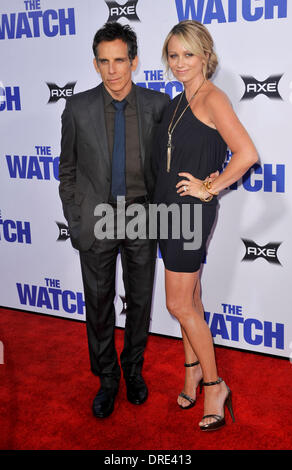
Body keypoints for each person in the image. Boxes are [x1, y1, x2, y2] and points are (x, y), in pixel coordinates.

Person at [58, 22, 170, 418]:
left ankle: (133, 371)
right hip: (97, 216)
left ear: (134, 62)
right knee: (99, 303)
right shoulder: (78, 108)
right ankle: (107, 379)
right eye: (103, 62)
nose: (112, 70)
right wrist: (76, 219)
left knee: (139, 302)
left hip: (142, 213)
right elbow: (67, 170)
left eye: (119, 61)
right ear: (94, 64)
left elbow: (168, 167)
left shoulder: (159, 105)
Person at [153, 20, 258, 431]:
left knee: (178, 304)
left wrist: (209, 187)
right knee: (190, 302)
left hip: (189, 216)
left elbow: (246, 153)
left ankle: (215, 385)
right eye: (174, 55)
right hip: (167, 211)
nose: (179, 63)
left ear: (206, 57)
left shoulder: (212, 98)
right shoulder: (180, 98)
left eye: (188, 55)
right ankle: (192, 370)